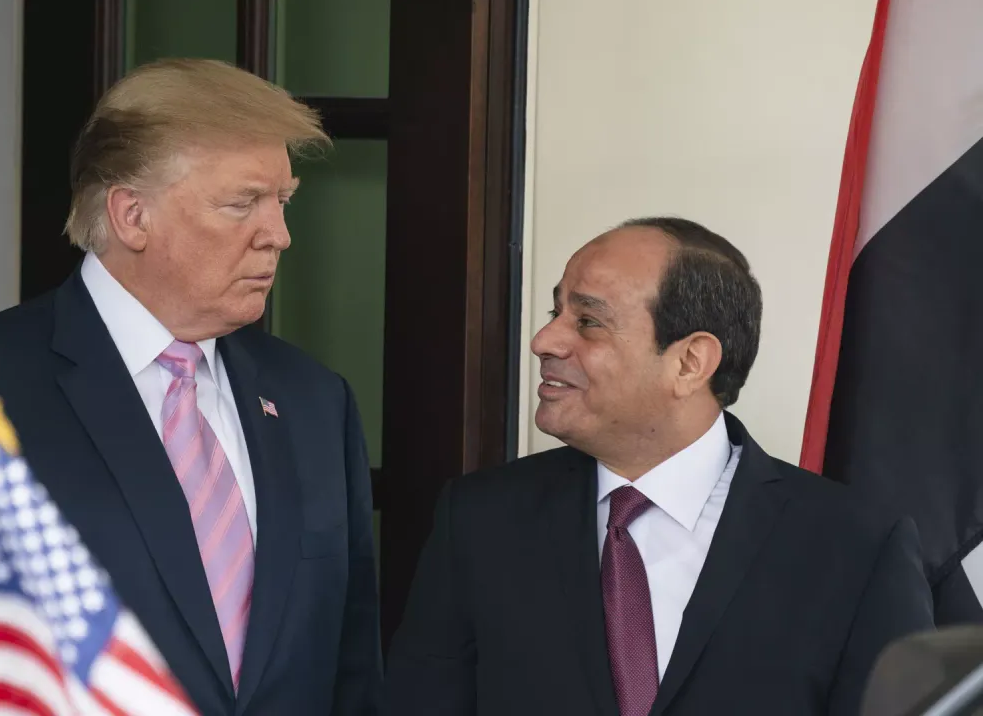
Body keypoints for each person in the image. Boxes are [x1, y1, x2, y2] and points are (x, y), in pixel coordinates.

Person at [0, 58, 381, 716]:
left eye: (282, 201)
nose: (279, 236)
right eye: (243, 204)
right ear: (132, 216)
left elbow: (352, 678)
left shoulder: (315, 401)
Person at [379, 217, 934, 715]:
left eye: (588, 321)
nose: (544, 340)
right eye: (555, 312)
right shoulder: (480, 520)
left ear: (690, 362)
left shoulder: (856, 545)